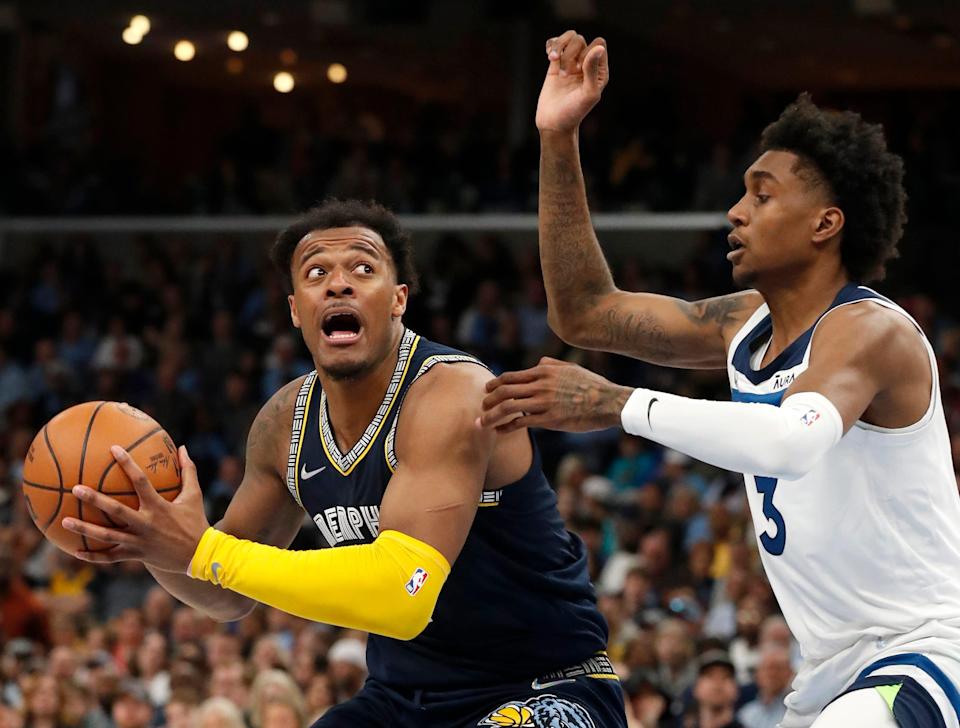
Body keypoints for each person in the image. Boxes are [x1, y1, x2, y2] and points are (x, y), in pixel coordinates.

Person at [480, 29, 960, 728]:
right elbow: (585, 312)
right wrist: (558, 138)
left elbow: (790, 443)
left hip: (926, 654)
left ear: (826, 223)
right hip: (828, 668)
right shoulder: (744, 325)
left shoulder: (870, 332)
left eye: (762, 197)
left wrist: (620, 404)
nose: (736, 211)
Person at [61, 199, 627, 727]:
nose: (337, 284)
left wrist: (205, 552)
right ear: (294, 311)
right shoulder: (283, 423)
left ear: (398, 298)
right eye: (315, 274)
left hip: (545, 687)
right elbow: (228, 593)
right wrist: (151, 539)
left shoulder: (454, 394)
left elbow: (402, 593)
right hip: (404, 700)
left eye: (362, 269)